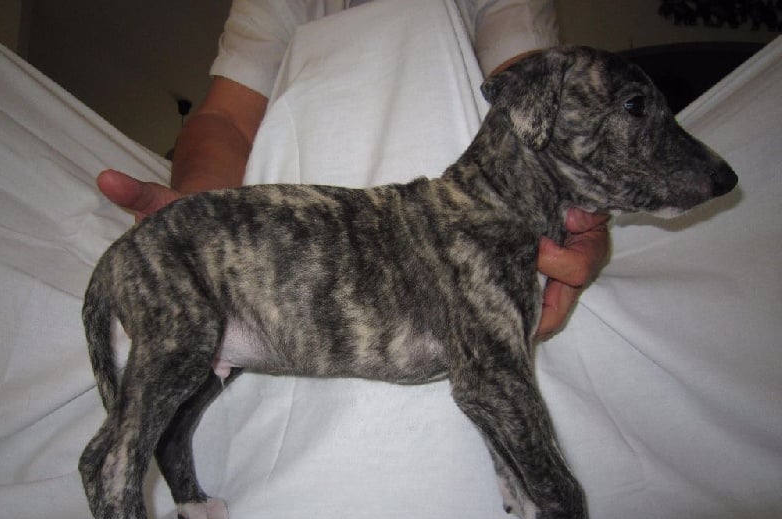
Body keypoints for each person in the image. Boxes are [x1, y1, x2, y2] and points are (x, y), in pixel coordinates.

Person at [96, 0, 610, 340]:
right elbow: (226, 120)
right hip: (290, 262)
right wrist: (197, 219)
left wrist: (570, 212)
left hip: (472, 247)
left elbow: (535, 101)